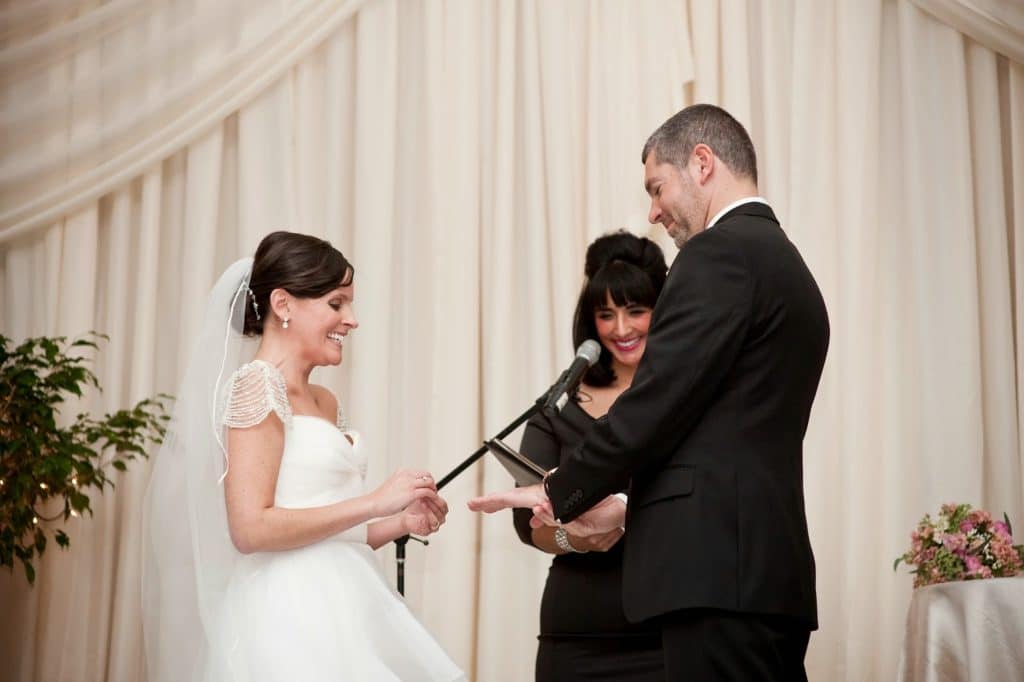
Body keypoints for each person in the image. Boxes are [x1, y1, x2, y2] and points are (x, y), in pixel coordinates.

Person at [470, 104, 830, 681]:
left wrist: (557, 491)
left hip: (717, 581)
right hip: (762, 574)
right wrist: (620, 504)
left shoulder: (718, 254)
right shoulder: (787, 264)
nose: (654, 211)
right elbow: (716, 436)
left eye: (657, 187)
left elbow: (655, 406)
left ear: (703, 163)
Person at [144, 231, 465, 682]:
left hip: (350, 604)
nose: (351, 320)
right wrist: (375, 501)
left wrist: (399, 521)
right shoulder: (257, 384)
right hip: (289, 614)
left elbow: (330, 529)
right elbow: (250, 528)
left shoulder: (325, 400)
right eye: (337, 304)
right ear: (283, 304)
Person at [513, 231, 667, 681]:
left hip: (666, 629)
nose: (622, 329)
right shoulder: (558, 405)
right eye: (606, 314)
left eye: (636, 311)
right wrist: (575, 539)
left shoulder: (683, 398)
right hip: (576, 635)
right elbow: (528, 522)